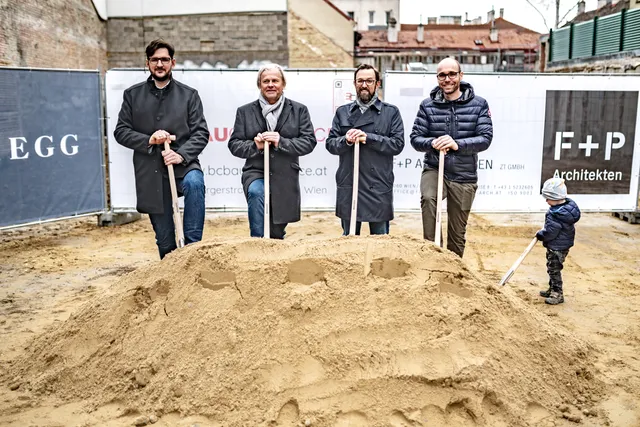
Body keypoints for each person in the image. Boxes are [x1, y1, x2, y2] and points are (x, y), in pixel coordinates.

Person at [114, 39, 209, 260]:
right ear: (147, 63)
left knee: (195, 183)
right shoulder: (132, 95)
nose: (160, 64)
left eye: (164, 59)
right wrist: (150, 139)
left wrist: (181, 155)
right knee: (165, 242)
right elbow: (121, 131)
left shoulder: (189, 95)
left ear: (173, 63)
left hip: (184, 165)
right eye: (155, 60)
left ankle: (193, 249)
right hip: (151, 171)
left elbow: (201, 133)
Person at [410, 57, 493, 257]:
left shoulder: (479, 104)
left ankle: (453, 272)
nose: (447, 79)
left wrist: (457, 145)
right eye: (442, 75)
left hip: (464, 176)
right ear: (437, 78)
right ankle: (433, 254)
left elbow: (485, 138)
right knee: (428, 198)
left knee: (457, 235)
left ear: (460, 76)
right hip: (435, 168)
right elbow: (415, 138)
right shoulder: (427, 106)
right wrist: (431, 143)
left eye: (451, 74)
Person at [228, 64, 317, 238]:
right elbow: (234, 145)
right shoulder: (244, 112)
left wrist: (280, 142)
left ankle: (273, 256)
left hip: (285, 176)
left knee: (276, 231)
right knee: (256, 193)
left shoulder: (299, 110)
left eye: (275, 81)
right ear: (259, 85)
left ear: (283, 84)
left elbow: (309, 142)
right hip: (255, 171)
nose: (270, 84)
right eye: (265, 81)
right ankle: (257, 244)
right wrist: (255, 146)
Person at [325, 64, 404, 235]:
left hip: (378, 184)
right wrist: (346, 140)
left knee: (380, 242)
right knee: (349, 241)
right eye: (360, 81)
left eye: (369, 81)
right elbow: (330, 144)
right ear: (354, 84)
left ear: (377, 84)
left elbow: (397, 144)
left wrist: (369, 138)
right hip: (349, 181)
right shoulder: (343, 112)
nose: (364, 85)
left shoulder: (391, 113)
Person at [535, 177, 581, 305]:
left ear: (555, 198)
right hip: (564, 245)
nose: (546, 201)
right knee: (552, 268)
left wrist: (540, 235)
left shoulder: (555, 214)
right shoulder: (568, 208)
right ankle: (552, 289)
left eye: (548, 198)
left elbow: (550, 232)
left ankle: (557, 293)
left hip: (556, 246)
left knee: (553, 269)